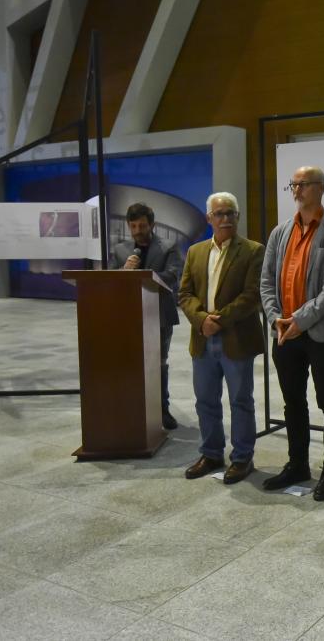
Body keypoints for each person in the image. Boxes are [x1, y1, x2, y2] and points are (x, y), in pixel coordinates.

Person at [260, 166, 324, 501]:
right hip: (284, 334)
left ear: (320, 188)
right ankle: (297, 464)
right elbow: (266, 280)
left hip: (320, 335)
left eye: (302, 185)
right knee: (293, 402)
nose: (296, 190)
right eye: (293, 185)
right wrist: (276, 319)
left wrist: (298, 319)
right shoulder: (279, 232)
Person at [179, 192, 265, 484]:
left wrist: (220, 320)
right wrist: (202, 320)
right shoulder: (195, 252)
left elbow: (252, 295)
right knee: (205, 401)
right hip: (203, 338)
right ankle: (212, 453)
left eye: (231, 213)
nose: (225, 218)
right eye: (220, 214)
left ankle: (242, 458)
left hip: (236, 338)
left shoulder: (253, 250)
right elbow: (185, 294)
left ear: (238, 217)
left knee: (240, 400)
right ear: (209, 218)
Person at [109, 202, 183, 430]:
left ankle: (162, 410)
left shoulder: (169, 246)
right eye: (133, 226)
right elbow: (109, 279)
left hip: (160, 314)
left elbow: (172, 276)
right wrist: (124, 272)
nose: (137, 230)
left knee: (159, 364)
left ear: (151, 224)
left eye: (142, 225)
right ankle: (134, 408)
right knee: (132, 364)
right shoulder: (121, 251)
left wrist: (141, 275)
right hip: (129, 316)